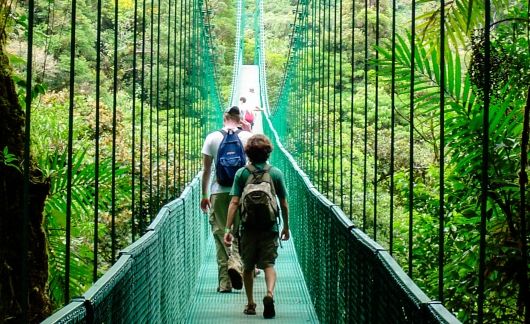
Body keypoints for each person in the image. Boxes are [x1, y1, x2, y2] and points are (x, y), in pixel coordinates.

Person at [223, 134, 290, 319]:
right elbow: (283, 203)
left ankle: (251, 303)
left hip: (247, 228)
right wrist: (286, 227)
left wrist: (228, 230)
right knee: (268, 264)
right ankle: (269, 294)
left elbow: (234, 202)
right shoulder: (275, 173)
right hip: (270, 228)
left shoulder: (242, 173)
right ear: (268, 152)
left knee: (248, 266)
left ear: (248, 153)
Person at [200, 106, 253, 293]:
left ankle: (224, 282)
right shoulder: (247, 138)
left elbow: (206, 171)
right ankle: (238, 264)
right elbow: (258, 164)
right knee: (243, 232)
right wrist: (250, 132)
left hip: (219, 192)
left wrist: (204, 195)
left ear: (224, 118)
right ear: (240, 119)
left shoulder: (212, 138)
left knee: (220, 233)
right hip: (243, 192)